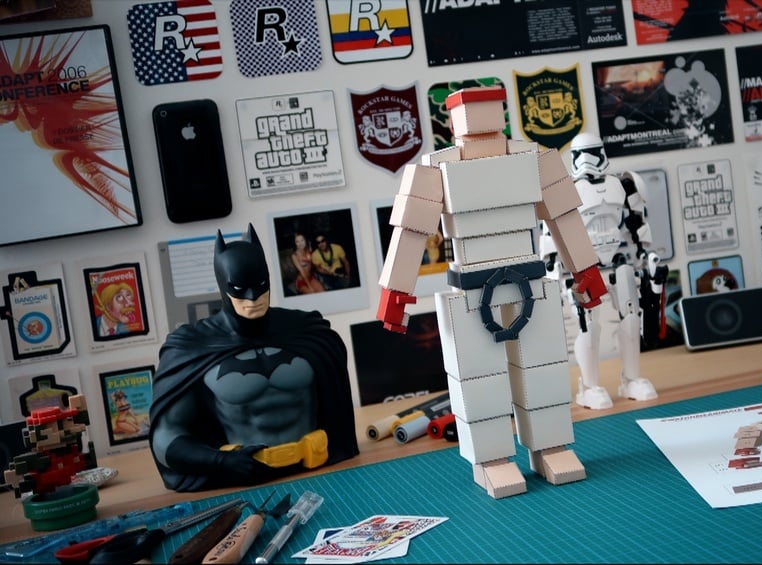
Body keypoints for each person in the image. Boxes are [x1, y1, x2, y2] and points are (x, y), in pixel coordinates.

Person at [376, 86, 607, 499]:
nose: (479, 117)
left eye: (487, 107)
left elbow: (565, 217)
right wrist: (396, 293)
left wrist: (585, 272)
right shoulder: (437, 168)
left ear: (500, 110)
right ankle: (492, 459)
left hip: (530, 282)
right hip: (471, 290)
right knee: (478, 378)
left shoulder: (534, 159)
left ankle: (551, 447)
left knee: (544, 370)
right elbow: (410, 232)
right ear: (452, 120)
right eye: (469, 109)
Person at [149, 224, 358, 492]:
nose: (253, 297)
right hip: (244, 480)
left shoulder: (307, 331)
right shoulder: (193, 347)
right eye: (239, 289)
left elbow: (336, 404)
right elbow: (165, 435)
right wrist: (219, 461)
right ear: (223, 285)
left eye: (260, 287)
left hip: (319, 470)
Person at [540, 132, 660, 411]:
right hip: (582, 265)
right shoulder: (562, 190)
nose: (587, 161)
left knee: (631, 317)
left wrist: (646, 255)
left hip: (617, 260)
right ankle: (589, 386)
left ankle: (631, 379)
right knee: (588, 325)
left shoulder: (625, 184)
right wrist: (552, 269)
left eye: (593, 153)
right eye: (581, 155)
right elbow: (550, 233)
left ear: (603, 152)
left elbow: (637, 225)